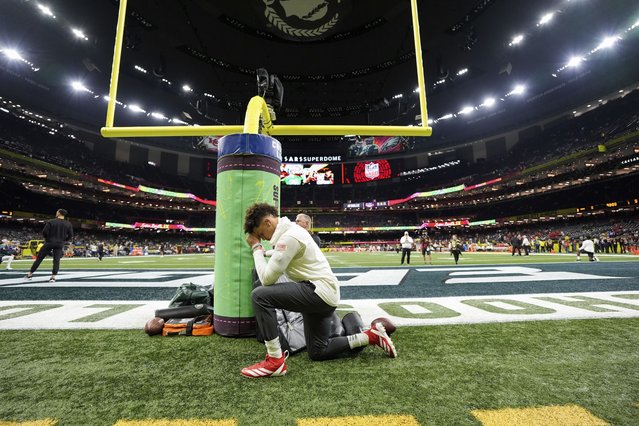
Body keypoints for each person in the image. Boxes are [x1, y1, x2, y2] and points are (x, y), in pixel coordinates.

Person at [242, 203, 396, 378]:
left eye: (261, 233)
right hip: (325, 295)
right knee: (318, 351)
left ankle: (274, 361)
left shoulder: (289, 237)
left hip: (316, 291)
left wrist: (256, 248)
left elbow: (267, 279)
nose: (263, 238)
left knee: (259, 296)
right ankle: (370, 336)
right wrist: (264, 252)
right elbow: (281, 254)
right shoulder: (292, 231)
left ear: (268, 223)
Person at [26, 209, 73, 282]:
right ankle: (53, 277)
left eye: (57, 211)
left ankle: (30, 274)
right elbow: (70, 235)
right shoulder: (68, 223)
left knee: (39, 258)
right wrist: (64, 240)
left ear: (59, 213)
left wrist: (47, 238)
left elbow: (44, 232)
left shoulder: (51, 221)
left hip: (49, 242)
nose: (56, 212)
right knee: (56, 260)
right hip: (60, 243)